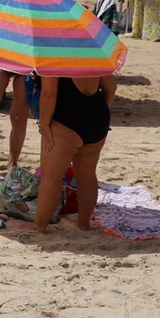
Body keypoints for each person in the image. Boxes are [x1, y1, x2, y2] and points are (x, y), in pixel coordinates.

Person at [35, 73, 117, 231]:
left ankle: (39, 226)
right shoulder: (94, 52)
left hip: (66, 118)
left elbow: (48, 94)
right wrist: (99, 112)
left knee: (51, 177)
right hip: (97, 117)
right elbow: (111, 88)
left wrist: (44, 125)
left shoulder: (55, 54)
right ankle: (84, 223)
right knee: (87, 175)